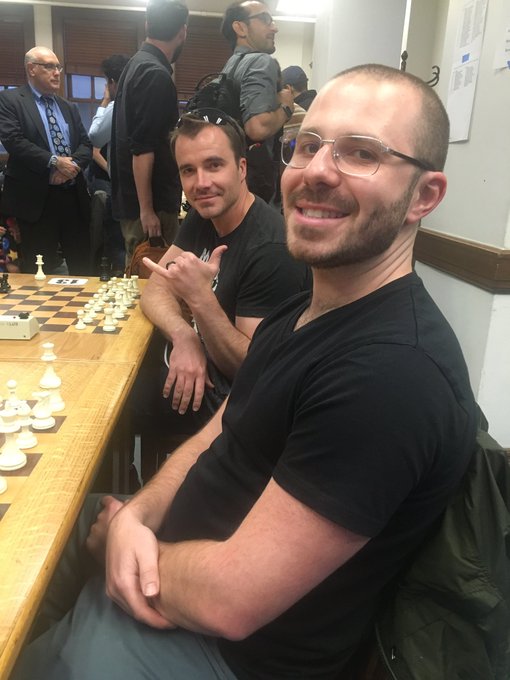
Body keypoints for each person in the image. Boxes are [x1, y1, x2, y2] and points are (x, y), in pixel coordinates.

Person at [11, 64, 477, 680]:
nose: (316, 171)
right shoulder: (306, 309)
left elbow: (231, 600)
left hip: (218, 648)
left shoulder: (392, 374)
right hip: (167, 560)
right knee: (31, 532)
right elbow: (218, 430)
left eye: (362, 153)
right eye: (307, 145)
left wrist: (128, 543)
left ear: (424, 196)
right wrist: (138, 515)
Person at [133, 108, 310, 470]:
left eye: (214, 165)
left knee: (116, 401)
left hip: (241, 409)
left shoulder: (271, 249)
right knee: (116, 381)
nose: (201, 183)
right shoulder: (204, 216)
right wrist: (185, 336)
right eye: (188, 170)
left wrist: (200, 299)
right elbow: (154, 289)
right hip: (197, 368)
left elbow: (254, 371)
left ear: (241, 168)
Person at [0, 46, 92, 275]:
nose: (57, 72)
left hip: (73, 196)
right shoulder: (10, 100)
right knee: (40, 270)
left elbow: (85, 145)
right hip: (36, 200)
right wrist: (54, 161)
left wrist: (71, 166)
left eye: (58, 67)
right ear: (31, 69)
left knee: (83, 267)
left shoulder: (68, 107)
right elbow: (14, 140)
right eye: (49, 67)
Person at [110, 0, 188, 267]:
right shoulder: (155, 74)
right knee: (154, 279)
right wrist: (147, 210)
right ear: (182, 32)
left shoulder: (135, 65)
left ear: (147, 25)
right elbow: (142, 147)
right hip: (151, 207)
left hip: (136, 201)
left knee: (140, 277)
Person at [220, 1, 295, 203]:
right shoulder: (261, 61)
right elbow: (257, 128)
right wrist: (286, 107)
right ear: (240, 28)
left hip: (235, 180)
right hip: (255, 189)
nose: (274, 28)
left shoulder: (231, 65)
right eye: (265, 20)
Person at [88, 54, 129, 276]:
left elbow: (94, 137)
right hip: (141, 188)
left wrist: (104, 103)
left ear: (112, 82)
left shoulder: (118, 104)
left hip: (122, 188)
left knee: (119, 243)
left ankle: (119, 282)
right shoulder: (143, 99)